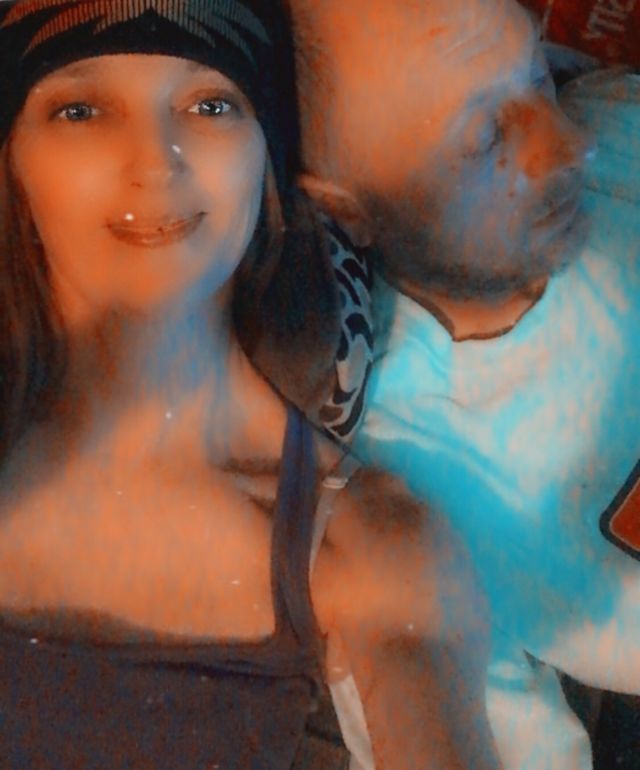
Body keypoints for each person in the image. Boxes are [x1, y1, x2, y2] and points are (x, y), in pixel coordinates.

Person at [0, 1, 502, 768]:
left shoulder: (371, 548)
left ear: (266, 156)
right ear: (14, 162)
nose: (155, 161)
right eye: (81, 110)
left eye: (210, 104)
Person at [287, 0, 640, 768]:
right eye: (485, 136)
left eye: (538, 79)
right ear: (348, 208)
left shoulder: (621, 141)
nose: (567, 145)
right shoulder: (406, 476)